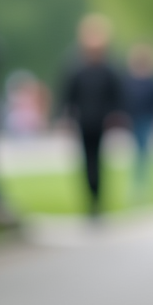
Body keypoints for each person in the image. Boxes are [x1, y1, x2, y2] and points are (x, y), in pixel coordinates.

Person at [59, 14, 125, 218]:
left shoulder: (108, 68)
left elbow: (117, 95)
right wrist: (66, 117)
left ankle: (97, 199)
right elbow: (67, 94)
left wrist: (115, 115)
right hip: (83, 121)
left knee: (98, 161)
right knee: (86, 161)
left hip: (101, 122)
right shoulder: (76, 67)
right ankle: (90, 200)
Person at [124, 43, 153, 202]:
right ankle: (138, 185)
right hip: (134, 118)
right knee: (138, 152)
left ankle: (144, 185)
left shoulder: (152, 80)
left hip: (147, 119)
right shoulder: (130, 79)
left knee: (143, 152)